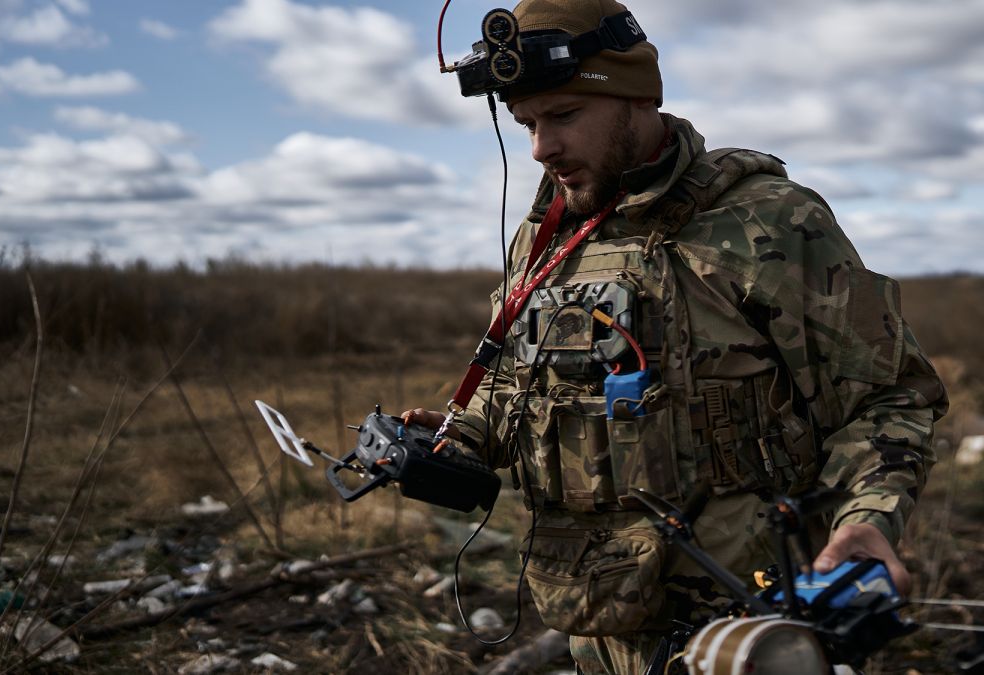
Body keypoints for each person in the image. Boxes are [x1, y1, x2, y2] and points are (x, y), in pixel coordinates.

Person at [405, 0, 948, 671]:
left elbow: (892, 398)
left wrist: (868, 516)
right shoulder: (545, 236)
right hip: (594, 617)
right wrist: (463, 437)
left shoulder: (767, 223)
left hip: (752, 631)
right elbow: (519, 383)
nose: (543, 148)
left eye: (565, 116)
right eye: (528, 124)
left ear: (636, 97)